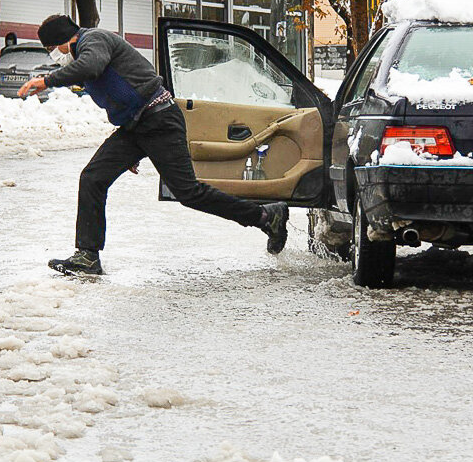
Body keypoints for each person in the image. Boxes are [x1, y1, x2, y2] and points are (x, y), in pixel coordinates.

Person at [17, 14, 289, 276]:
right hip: (135, 127)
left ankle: (265, 217)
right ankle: (87, 256)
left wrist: (46, 80)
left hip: (159, 120)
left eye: (52, 49)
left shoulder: (93, 40)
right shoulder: (85, 50)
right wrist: (130, 152)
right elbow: (118, 91)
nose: (55, 55)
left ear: (64, 39)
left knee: (188, 192)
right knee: (93, 178)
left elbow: (92, 65)